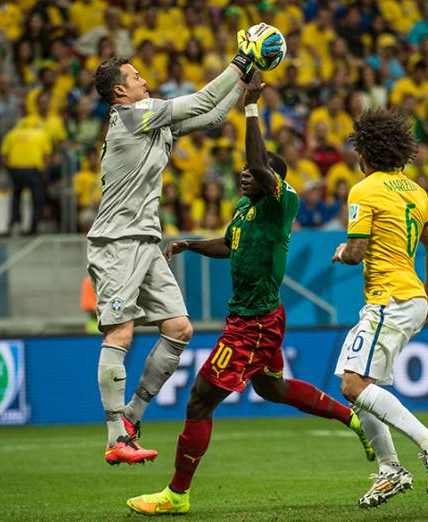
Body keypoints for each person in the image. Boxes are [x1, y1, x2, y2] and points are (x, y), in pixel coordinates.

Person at [126, 78, 372, 516]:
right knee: (272, 387)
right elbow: (229, 243)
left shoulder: (283, 204)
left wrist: (252, 109)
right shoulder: (244, 208)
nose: (243, 174)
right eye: (242, 172)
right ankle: (350, 417)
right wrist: (189, 244)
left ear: (271, 179)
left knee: (200, 399)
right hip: (256, 317)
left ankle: (177, 494)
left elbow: (260, 165)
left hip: (254, 323)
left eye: (251, 172)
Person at [86, 29, 266, 465]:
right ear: (119, 91)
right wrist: (241, 60)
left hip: (146, 240)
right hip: (116, 241)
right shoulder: (133, 116)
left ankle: (131, 417)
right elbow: (202, 100)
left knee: (179, 329)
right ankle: (115, 438)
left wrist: (245, 88)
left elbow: (209, 117)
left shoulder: (150, 120)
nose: (144, 80)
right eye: (135, 76)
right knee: (121, 332)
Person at [330, 108, 428, 508]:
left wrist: (342, 254)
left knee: (352, 383)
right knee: (365, 389)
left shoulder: (363, 190)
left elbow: (357, 251)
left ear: (364, 153)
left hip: (388, 300)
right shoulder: (416, 192)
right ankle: (389, 470)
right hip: (411, 298)